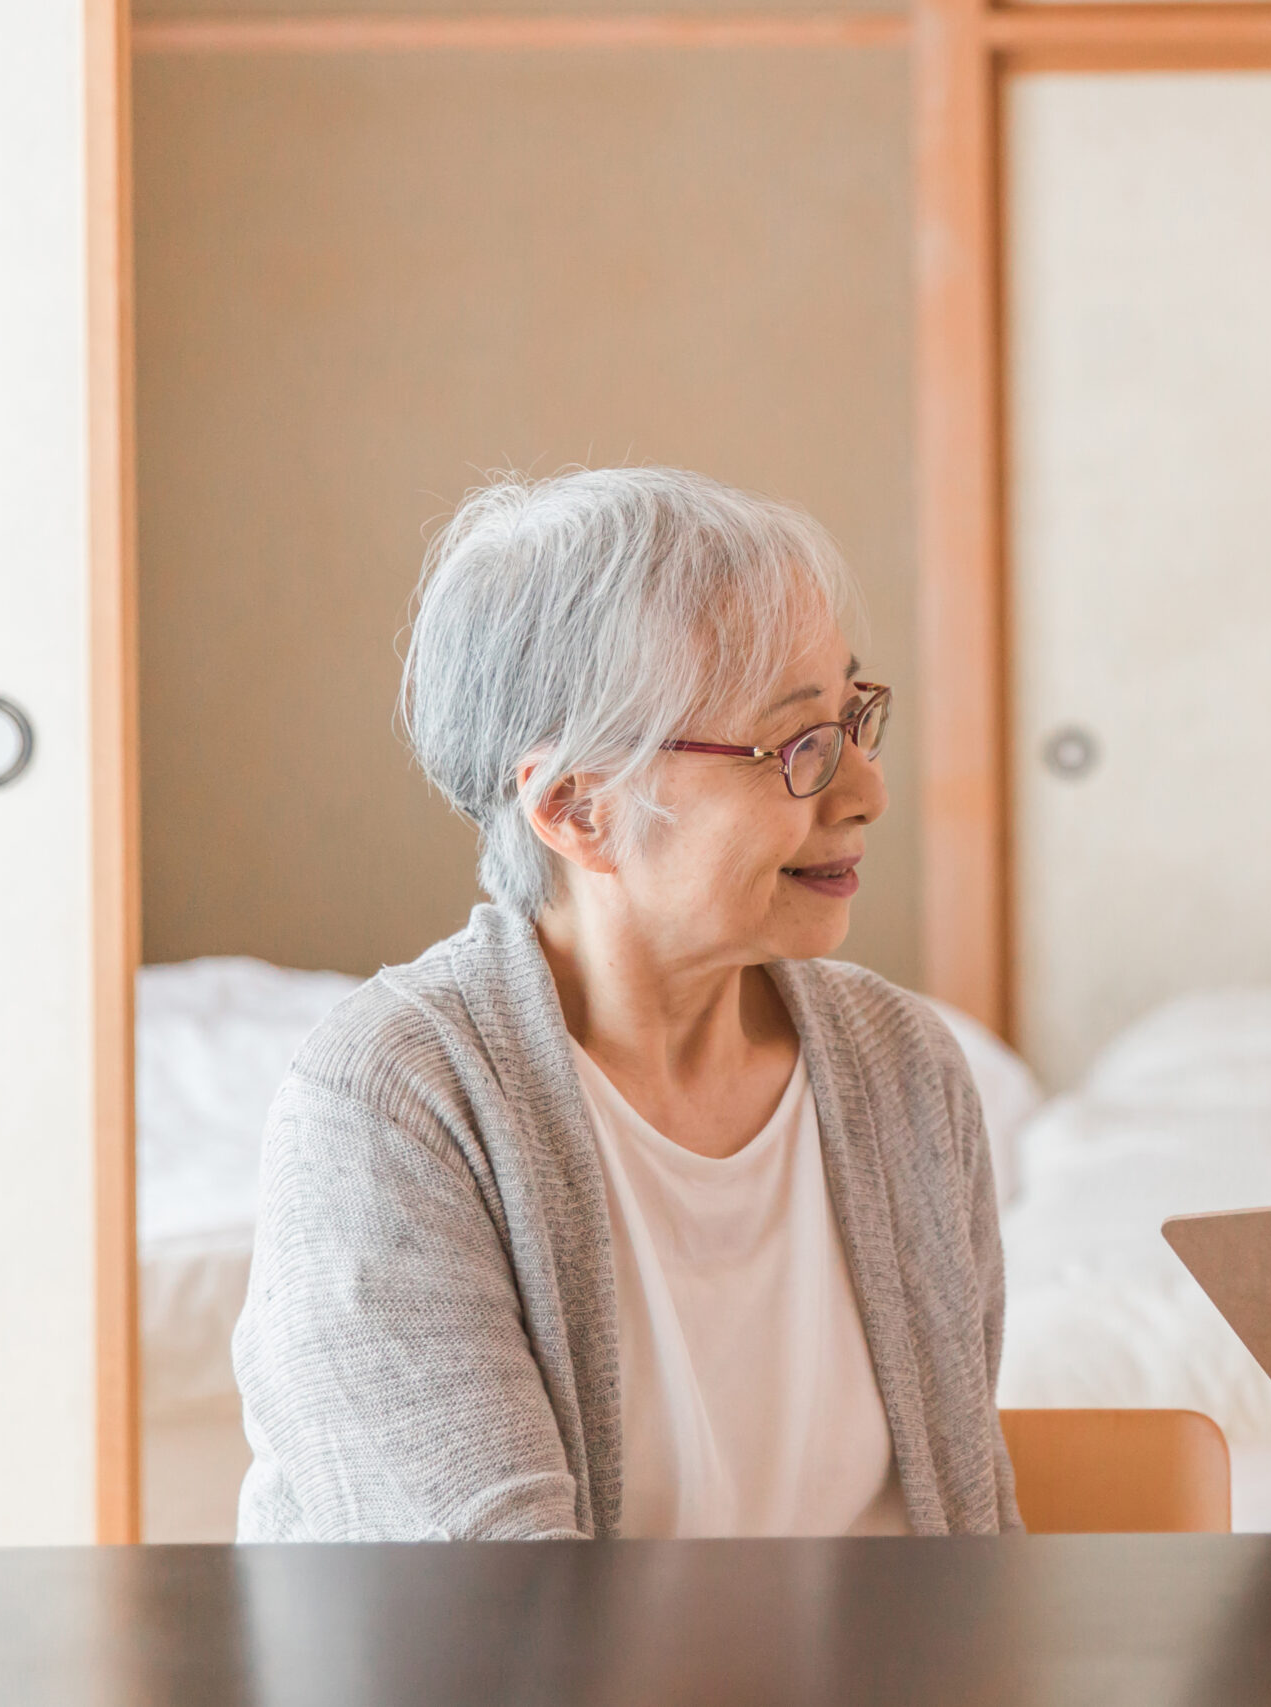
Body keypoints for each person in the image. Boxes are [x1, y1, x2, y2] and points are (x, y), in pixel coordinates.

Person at [233, 467, 1018, 1540]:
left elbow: (972, 1548)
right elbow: (493, 1628)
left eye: (852, 715)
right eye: (796, 747)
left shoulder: (904, 1069)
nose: (866, 788)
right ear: (577, 809)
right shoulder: (392, 1106)